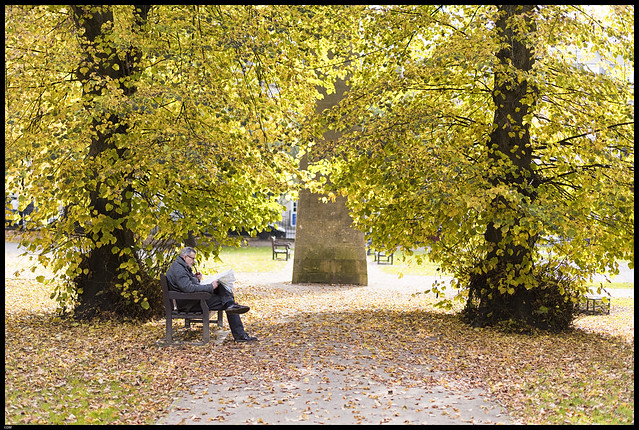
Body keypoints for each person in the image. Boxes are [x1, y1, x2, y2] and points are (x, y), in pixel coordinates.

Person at [165, 246, 257, 342]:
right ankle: (239, 333)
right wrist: (210, 287)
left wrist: (197, 279)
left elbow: (187, 285)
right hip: (189, 304)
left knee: (221, 286)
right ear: (185, 257)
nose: (194, 261)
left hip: (191, 300)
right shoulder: (179, 270)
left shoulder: (181, 266)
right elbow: (188, 288)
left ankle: (231, 306)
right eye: (192, 258)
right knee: (225, 302)